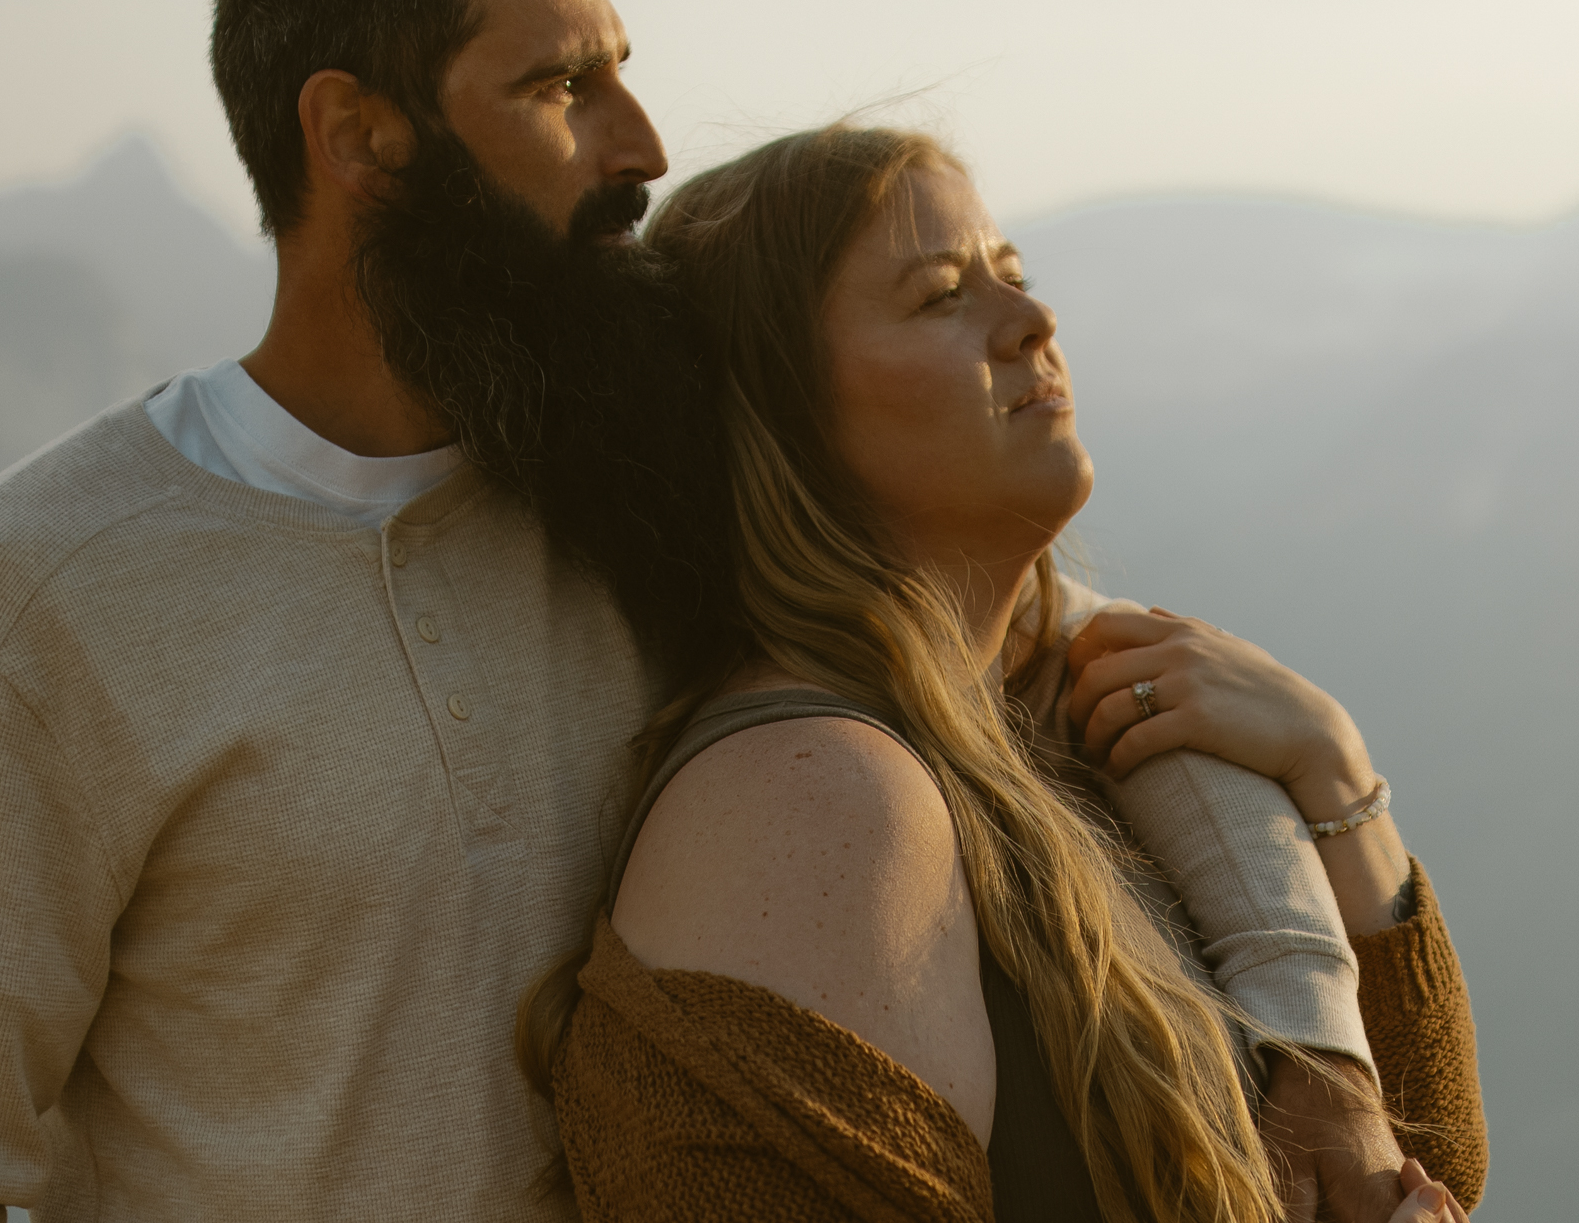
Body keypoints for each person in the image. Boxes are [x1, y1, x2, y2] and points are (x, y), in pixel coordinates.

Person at [0, 0, 1470, 1220]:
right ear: (359, 136)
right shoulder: (32, 610)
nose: (636, 146)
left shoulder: (643, 480)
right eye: (562, 87)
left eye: (623, 71)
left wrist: (1318, 958)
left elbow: (1076, 693)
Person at [524, 126, 1483, 1222]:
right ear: (779, 415)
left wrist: (1333, 771)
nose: (1034, 321)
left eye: (1013, 275)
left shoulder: (1065, 711)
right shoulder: (813, 798)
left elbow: (1415, 1151)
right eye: (940, 297)